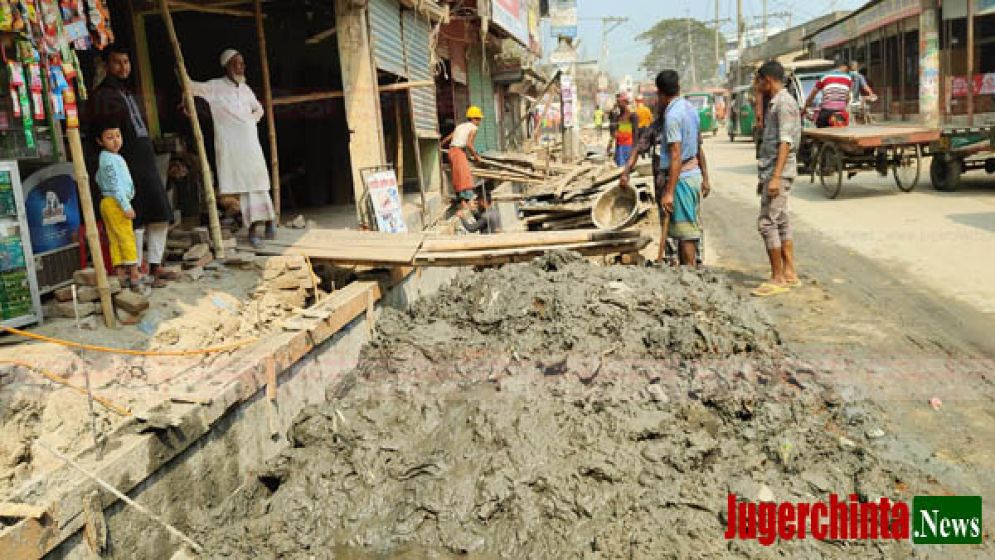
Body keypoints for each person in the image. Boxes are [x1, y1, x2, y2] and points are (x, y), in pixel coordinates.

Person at [90, 45, 174, 288]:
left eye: (126, 62)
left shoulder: (125, 91)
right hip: (125, 163)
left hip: (143, 160)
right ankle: (135, 269)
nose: (123, 67)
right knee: (134, 219)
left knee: (160, 213)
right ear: (107, 66)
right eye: (117, 62)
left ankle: (156, 265)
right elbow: (107, 135)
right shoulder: (104, 95)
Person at [188, 49, 276, 248]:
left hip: (250, 144)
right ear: (226, 66)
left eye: (242, 63)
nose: (241, 67)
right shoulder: (215, 87)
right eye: (236, 63)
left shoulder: (245, 89)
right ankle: (255, 230)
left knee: (259, 183)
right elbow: (192, 87)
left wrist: (249, 122)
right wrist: (181, 73)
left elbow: (259, 109)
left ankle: (270, 222)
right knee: (246, 188)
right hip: (232, 147)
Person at [620, 70, 705, 266]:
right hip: (683, 178)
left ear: (660, 93)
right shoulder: (689, 109)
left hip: (679, 180)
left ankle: (690, 274)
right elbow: (638, 148)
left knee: (686, 234)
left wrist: (669, 192)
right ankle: (682, 269)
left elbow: (677, 154)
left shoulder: (673, 117)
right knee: (683, 232)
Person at [752, 60, 801, 297]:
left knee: (766, 223)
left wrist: (775, 177)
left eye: (758, 81)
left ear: (767, 80)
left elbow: (786, 142)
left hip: (778, 173)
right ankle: (789, 272)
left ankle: (778, 276)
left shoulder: (783, 104)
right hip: (772, 170)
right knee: (780, 220)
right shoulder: (775, 103)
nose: (756, 85)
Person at [94, 121, 142, 288]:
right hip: (116, 202)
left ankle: (120, 273)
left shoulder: (106, 158)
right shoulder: (109, 160)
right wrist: (126, 206)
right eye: (109, 137)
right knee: (126, 236)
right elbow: (115, 185)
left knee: (115, 238)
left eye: (118, 136)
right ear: (100, 141)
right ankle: (135, 273)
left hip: (107, 202)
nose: (115, 140)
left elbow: (98, 178)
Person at [441, 106, 483, 208]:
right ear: (473, 119)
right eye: (478, 119)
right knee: (464, 178)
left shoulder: (460, 126)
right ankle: (466, 202)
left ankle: (463, 201)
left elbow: (448, 138)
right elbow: (469, 144)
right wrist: (476, 156)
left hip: (452, 152)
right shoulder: (473, 128)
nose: (479, 121)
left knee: (458, 177)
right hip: (458, 152)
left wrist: (440, 144)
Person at [803, 58, 853, 128]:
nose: (847, 72)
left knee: (819, 132)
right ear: (844, 67)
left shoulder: (825, 76)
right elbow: (848, 98)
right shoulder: (849, 78)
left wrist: (805, 107)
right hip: (841, 113)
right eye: (848, 70)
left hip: (826, 112)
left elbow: (812, 94)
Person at [607, 93, 640, 167]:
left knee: (626, 169)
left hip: (628, 146)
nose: (617, 104)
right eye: (617, 102)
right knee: (619, 167)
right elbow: (614, 131)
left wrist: (635, 149)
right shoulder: (618, 116)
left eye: (619, 102)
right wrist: (611, 142)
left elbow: (635, 133)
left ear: (625, 102)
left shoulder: (632, 115)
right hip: (619, 146)